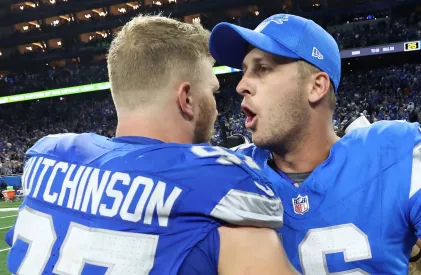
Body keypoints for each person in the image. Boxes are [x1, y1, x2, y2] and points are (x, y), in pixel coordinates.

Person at [5, 15, 298, 275]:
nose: (217, 107)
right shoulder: (216, 182)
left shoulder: (49, 158)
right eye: (212, 91)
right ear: (187, 99)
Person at [209, 13, 421, 274]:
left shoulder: (393, 152)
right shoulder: (229, 172)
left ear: (316, 86)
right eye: (244, 71)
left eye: (262, 69)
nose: (241, 85)